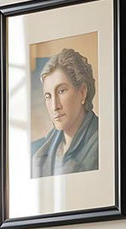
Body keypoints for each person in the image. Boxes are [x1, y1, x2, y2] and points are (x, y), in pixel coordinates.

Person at [31, 48, 99, 177]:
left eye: (62, 91)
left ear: (82, 92)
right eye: (48, 96)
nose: (55, 106)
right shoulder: (37, 151)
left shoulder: (103, 141)